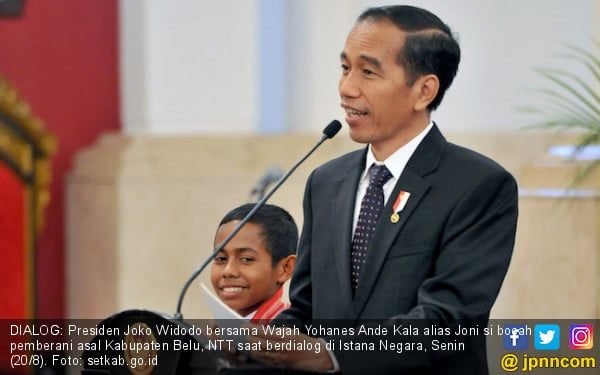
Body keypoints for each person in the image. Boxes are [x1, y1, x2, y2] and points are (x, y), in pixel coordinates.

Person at [247, 5, 518, 374]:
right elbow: (306, 307)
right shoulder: (325, 183)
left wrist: (333, 355)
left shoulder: (478, 186)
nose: (347, 88)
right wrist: (258, 344)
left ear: (424, 90)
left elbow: (447, 320)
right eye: (345, 68)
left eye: (369, 72)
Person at [210, 203, 297, 324]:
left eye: (246, 259)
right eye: (221, 259)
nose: (228, 271)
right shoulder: (211, 334)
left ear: (285, 268)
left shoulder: (293, 336)